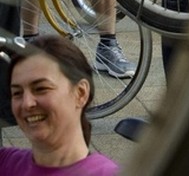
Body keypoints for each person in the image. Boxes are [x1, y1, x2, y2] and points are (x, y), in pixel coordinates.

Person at [2, 35, 119, 173]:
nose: (27, 103)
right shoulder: (7, 164)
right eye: (17, 93)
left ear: (81, 93)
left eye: (41, 89)